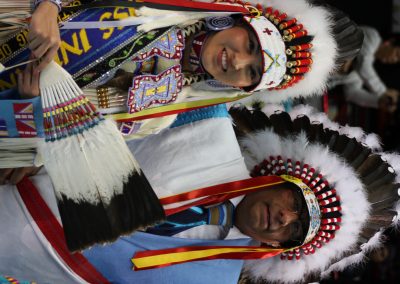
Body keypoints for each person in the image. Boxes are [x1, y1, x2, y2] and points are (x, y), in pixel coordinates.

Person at [1, 103, 399, 283]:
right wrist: (36, 141)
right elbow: (108, 99)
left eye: (296, 231)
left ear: (279, 247)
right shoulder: (207, 127)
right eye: (296, 203)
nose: (285, 219)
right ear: (281, 178)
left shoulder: (210, 278)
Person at [328, 25, 400, 113]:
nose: (394, 59)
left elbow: (352, 93)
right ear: (390, 42)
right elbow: (363, 64)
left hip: (315, 84)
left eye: (397, 60)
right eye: (397, 54)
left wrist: (378, 101)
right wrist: (383, 92)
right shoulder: (373, 37)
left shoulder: (364, 72)